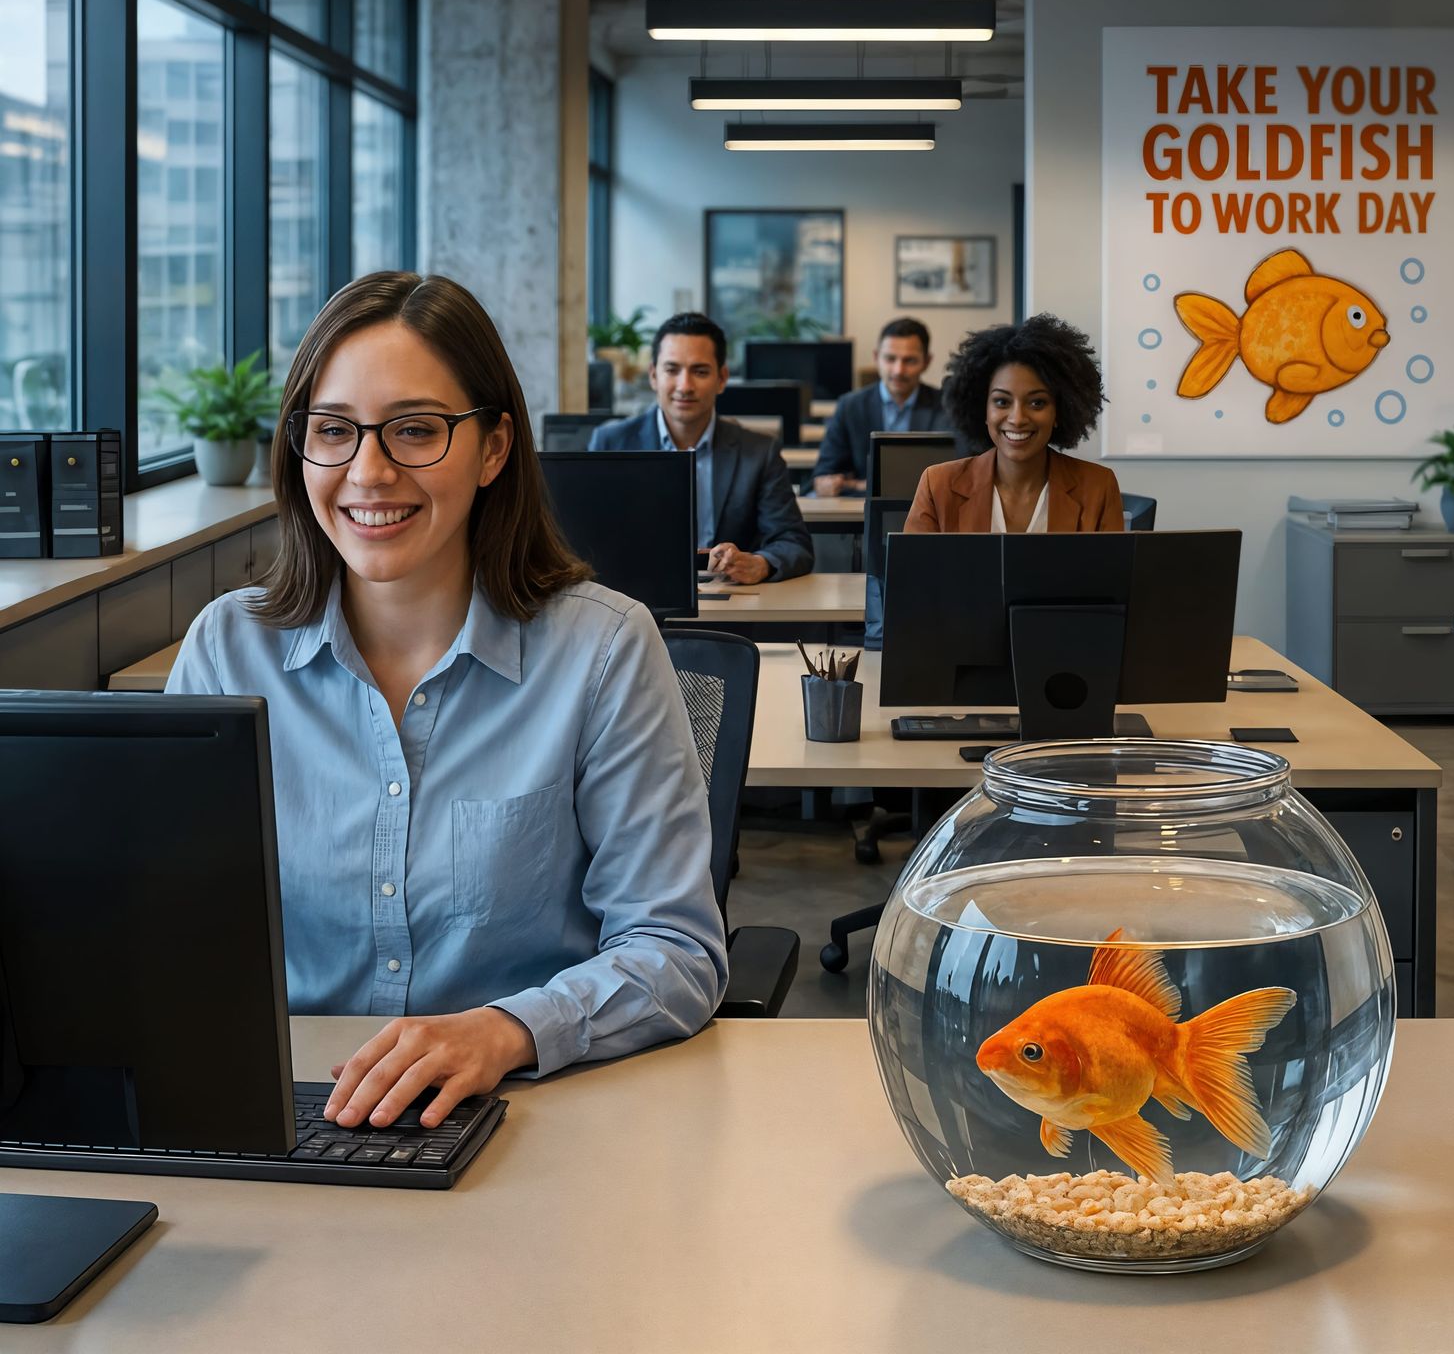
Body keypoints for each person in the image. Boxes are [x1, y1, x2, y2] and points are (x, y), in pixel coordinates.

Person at [167, 272, 727, 1133]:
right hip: (286, 1115)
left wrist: (507, 1030)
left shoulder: (603, 650)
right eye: (334, 431)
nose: (369, 472)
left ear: (494, 449)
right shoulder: (226, 650)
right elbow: (170, 931)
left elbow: (676, 951)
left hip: (532, 1115)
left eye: (416, 430)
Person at [589, 312, 814, 584]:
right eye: (672, 370)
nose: (685, 386)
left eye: (700, 371)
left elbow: (793, 542)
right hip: (635, 595)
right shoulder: (610, 443)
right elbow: (585, 539)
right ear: (653, 376)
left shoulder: (759, 452)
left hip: (730, 597)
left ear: (722, 378)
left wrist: (760, 563)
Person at [906, 314, 1123, 533]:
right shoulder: (938, 485)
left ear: (1060, 411)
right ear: (982, 408)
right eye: (1002, 402)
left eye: (1037, 403)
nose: (1017, 419)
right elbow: (914, 557)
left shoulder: (1098, 487)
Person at [811, 316, 947, 496]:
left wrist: (856, 485)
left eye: (910, 361)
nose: (898, 370)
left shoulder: (946, 406)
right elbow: (824, 478)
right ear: (876, 357)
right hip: (860, 509)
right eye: (890, 359)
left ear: (927, 362)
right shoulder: (850, 406)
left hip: (929, 507)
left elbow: (951, 477)